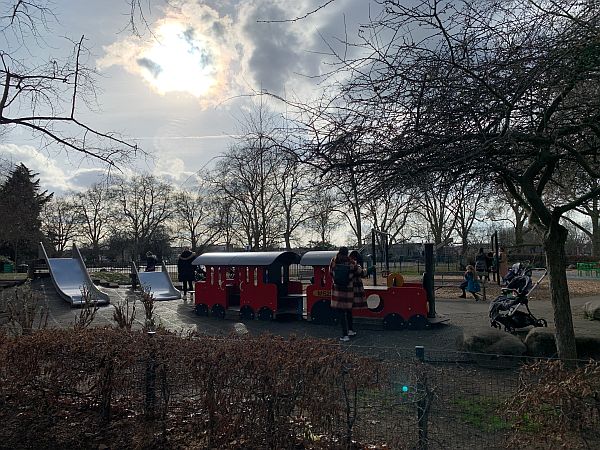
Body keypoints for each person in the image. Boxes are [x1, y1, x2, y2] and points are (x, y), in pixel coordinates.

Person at [330, 246, 364, 342]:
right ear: (347, 253)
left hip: (337, 291)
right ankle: (350, 331)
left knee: (341, 314)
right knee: (349, 311)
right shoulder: (351, 263)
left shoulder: (333, 261)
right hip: (348, 291)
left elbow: (330, 273)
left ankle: (344, 336)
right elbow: (360, 272)